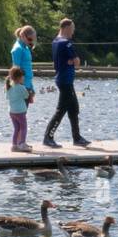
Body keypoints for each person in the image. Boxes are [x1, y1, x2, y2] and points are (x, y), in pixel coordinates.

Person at [43, 18, 90, 148]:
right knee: (61, 110)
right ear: (66, 28)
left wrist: (70, 61)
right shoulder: (66, 43)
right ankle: (48, 137)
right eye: (72, 29)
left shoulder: (55, 41)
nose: (73, 32)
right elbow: (77, 61)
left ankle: (77, 138)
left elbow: (70, 61)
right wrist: (72, 61)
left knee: (74, 109)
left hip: (64, 79)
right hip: (65, 80)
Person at [6, 65, 31, 151]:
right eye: (22, 76)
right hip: (20, 112)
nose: (23, 77)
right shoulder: (22, 87)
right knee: (23, 127)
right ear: (19, 77)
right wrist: (28, 91)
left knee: (16, 128)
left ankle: (14, 145)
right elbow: (26, 96)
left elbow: (7, 97)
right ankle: (22, 144)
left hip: (12, 111)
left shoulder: (9, 88)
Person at [10, 26, 36, 101]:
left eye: (33, 40)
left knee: (23, 111)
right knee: (20, 111)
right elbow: (16, 70)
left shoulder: (26, 47)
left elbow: (28, 67)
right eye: (30, 39)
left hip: (28, 84)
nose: (31, 42)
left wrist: (31, 87)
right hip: (22, 86)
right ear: (23, 36)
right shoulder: (18, 49)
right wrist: (20, 88)